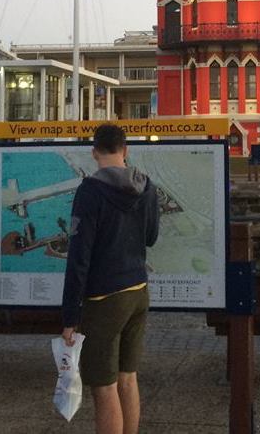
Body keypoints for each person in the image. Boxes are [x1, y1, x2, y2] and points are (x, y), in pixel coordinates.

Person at [61, 124, 160, 434]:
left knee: (104, 387)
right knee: (127, 378)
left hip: (104, 298)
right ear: (125, 150)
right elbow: (151, 237)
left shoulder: (90, 191)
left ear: (94, 153)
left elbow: (79, 257)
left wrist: (70, 316)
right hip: (138, 290)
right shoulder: (147, 187)